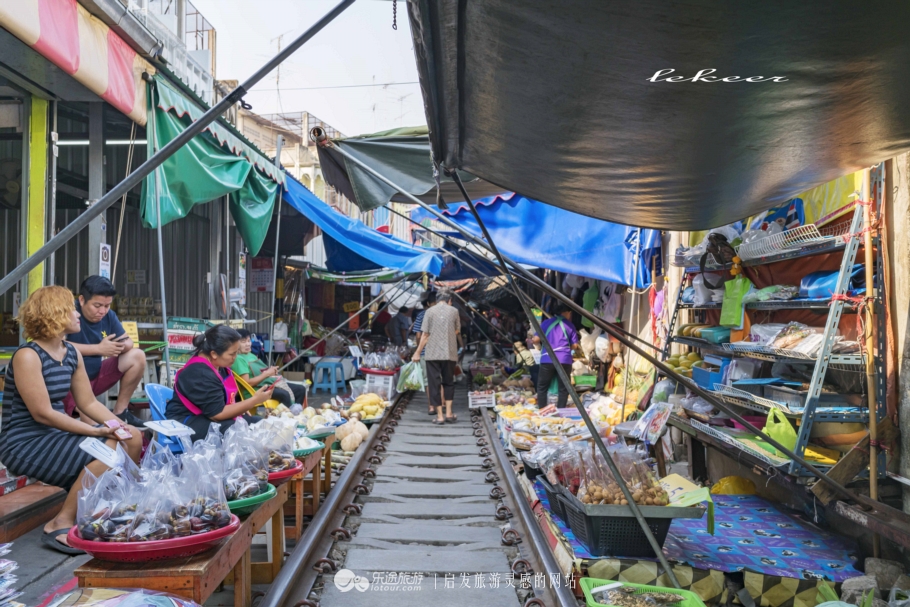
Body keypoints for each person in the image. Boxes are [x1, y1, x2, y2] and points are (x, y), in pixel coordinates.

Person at [0, 286, 142, 555]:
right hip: (24, 441)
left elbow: (88, 403)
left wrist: (119, 426)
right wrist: (96, 431)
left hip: (55, 434)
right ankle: (59, 522)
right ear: (53, 314)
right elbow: (43, 413)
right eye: (70, 310)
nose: (77, 315)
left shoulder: (70, 352)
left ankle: (112, 506)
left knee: (132, 437)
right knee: (107, 449)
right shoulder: (28, 355)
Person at [64, 276, 147, 428]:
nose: (102, 311)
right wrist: (98, 349)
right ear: (81, 300)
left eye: (107, 306)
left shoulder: (108, 315)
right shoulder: (69, 313)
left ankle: (120, 411)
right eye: (97, 306)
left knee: (137, 356)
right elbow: (58, 345)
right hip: (71, 384)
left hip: (95, 375)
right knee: (96, 426)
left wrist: (116, 346)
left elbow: (128, 341)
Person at [165, 325, 273, 439]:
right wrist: (254, 400)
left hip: (206, 413)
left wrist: (239, 408)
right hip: (183, 420)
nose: (235, 357)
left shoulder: (219, 365)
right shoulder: (201, 373)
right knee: (234, 430)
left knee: (256, 422)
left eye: (236, 353)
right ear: (214, 354)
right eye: (232, 354)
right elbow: (217, 414)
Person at [411, 288, 462, 424]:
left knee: (434, 383)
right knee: (448, 382)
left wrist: (417, 352)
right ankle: (449, 413)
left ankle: (440, 416)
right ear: (450, 300)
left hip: (432, 353)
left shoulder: (429, 312)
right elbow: (457, 330)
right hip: (449, 353)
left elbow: (425, 335)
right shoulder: (454, 311)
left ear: (437, 299)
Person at [232, 329, 306, 407]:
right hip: (255, 390)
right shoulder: (239, 359)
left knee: (300, 389)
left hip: (265, 384)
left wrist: (272, 373)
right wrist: (267, 374)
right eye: (243, 342)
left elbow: (260, 371)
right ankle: (287, 413)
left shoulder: (251, 355)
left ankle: (295, 412)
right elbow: (248, 383)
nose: (247, 344)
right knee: (284, 394)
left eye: (249, 341)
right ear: (236, 344)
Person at [534, 304, 581, 409]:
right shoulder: (570, 325)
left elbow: (536, 340)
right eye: (570, 313)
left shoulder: (546, 323)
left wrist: (531, 340)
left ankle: (542, 409)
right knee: (563, 388)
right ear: (566, 312)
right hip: (564, 360)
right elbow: (574, 345)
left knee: (542, 387)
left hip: (547, 359)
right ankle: (561, 410)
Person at [412, 291, 438, 415]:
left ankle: (431, 406)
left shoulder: (421, 315)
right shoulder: (444, 315)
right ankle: (442, 403)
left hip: (425, 352)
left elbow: (418, 335)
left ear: (427, 303)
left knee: (428, 380)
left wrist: (419, 349)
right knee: (440, 378)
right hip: (441, 351)